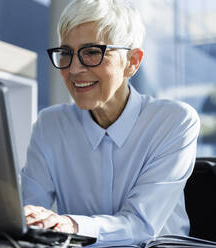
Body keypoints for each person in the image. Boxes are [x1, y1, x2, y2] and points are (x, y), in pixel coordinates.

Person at [20, 0, 200, 246]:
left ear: (132, 61)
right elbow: (29, 214)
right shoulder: (49, 125)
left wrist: (70, 225)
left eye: (92, 52)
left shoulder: (174, 122)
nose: (73, 69)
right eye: (66, 53)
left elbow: (141, 225)